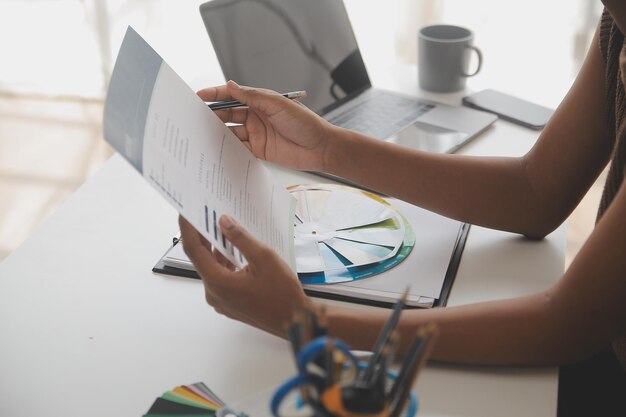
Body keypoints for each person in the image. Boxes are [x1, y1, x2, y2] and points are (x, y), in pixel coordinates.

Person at [179, 2, 626, 415]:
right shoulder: (616, 27)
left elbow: (568, 323)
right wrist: (327, 149)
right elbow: (534, 193)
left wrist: (308, 322)